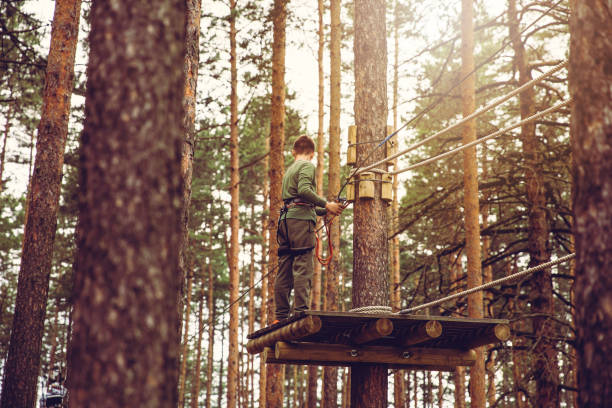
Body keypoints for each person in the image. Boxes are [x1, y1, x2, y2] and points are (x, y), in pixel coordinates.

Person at [274, 135, 344, 322]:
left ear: (293, 152)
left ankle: (280, 316)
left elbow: (299, 200)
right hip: (300, 222)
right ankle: (300, 315)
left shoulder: (290, 170)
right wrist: (327, 204)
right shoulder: (307, 166)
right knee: (303, 267)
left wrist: (326, 210)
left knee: (285, 268)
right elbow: (305, 191)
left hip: (286, 222)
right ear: (312, 154)